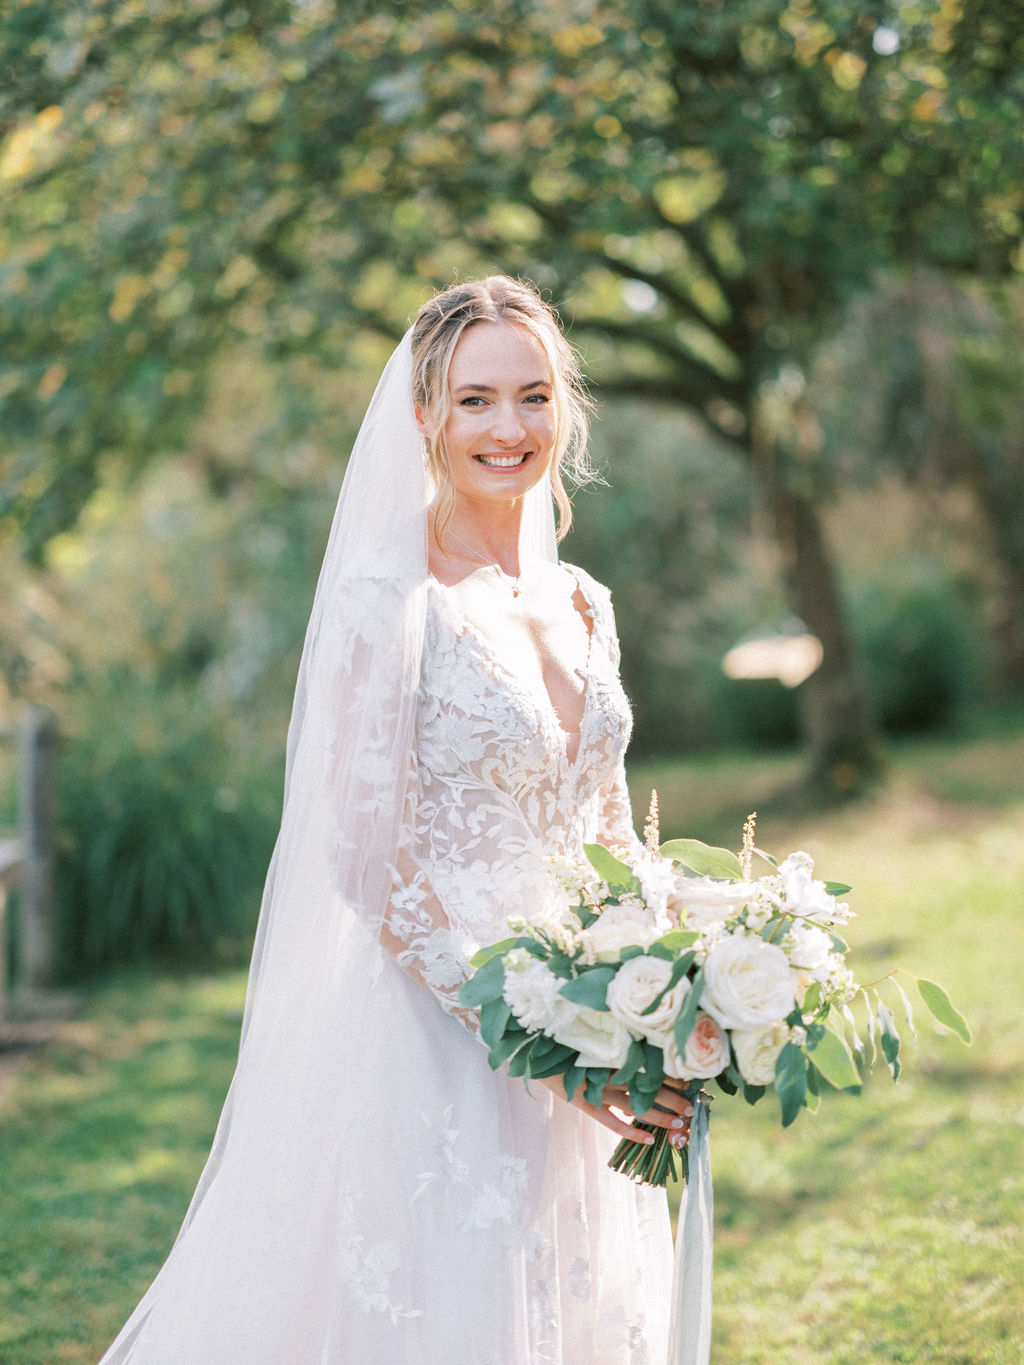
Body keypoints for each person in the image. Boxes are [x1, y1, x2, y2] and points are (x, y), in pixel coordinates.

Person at [99, 276, 695, 1364]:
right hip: (441, 1033)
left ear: (563, 406)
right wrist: (546, 1050)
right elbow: (366, 862)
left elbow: (604, 821)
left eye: (530, 395)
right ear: (424, 417)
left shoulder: (582, 600)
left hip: (591, 1020)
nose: (506, 428)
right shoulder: (389, 602)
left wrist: (661, 986)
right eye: (474, 401)